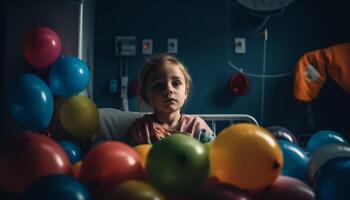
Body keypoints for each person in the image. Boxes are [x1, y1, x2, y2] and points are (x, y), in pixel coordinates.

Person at [126, 54, 215, 146]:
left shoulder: (196, 126)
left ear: (186, 92)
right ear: (146, 96)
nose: (169, 89)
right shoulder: (140, 130)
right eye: (158, 85)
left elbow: (214, 155)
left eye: (176, 83)